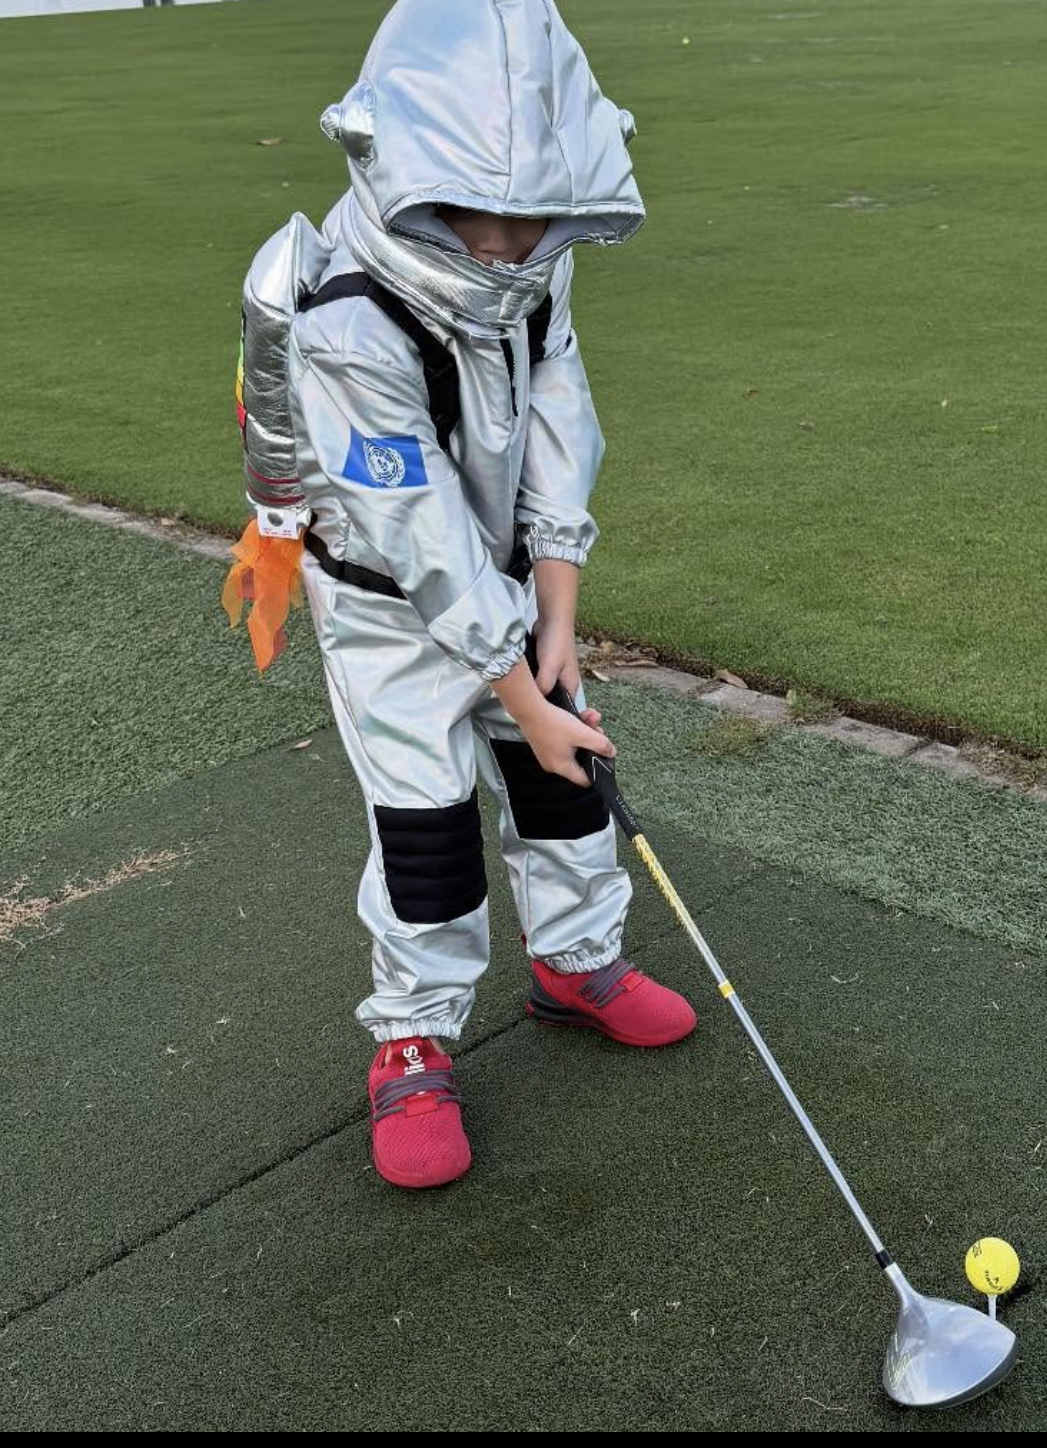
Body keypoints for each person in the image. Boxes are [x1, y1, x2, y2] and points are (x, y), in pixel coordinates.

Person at [256, 0, 696, 1191]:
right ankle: (411, 1037)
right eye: (480, 221)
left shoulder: (534, 270)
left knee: (569, 787)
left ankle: (575, 963)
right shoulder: (348, 318)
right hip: (390, 610)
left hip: (507, 588)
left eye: (527, 221)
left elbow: (562, 424)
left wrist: (557, 615)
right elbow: (422, 535)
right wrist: (519, 679)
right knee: (428, 828)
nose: (504, 247)